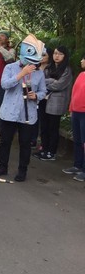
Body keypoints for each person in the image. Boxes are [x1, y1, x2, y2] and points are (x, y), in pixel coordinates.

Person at [0, 34, 46, 182]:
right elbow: (4, 84)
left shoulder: (39, 73)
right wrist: (21, 74)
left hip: (28, 114)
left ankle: (23, 170)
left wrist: (37, 96)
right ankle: (2, 167)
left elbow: (43, 91)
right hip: (9, 112)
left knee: (25, 143)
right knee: (5, 141)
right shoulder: (10, 67)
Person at [34, 46, 72, 161]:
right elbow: (41, 81)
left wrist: (47, 83)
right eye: (55, 53)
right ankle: (44, 149)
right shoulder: (49, 67)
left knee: (53, 127)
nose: (57, 56)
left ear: (64, 56)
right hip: (44, 100)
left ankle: (51, 152)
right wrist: (51, 81)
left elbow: (59, 85)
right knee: (44, 126)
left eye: (60, 54)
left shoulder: (67, 70)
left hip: (56, 102)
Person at [63, 53, 85, 181]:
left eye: (84, 59)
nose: (82, 61)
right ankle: (77, 165)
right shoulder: (81, 75)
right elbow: (74, 92)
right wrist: (71, 108)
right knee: (77, 139)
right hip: (76, 111)